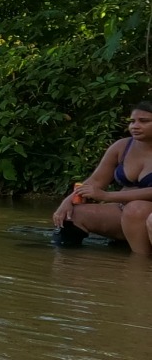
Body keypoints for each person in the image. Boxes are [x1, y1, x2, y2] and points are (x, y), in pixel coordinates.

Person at [52, 100, 152, 253]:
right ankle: (65, 265)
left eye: (143, 121)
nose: (135, 126)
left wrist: (107, 196)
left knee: (135, 209)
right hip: (122, 210)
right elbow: (96, 181)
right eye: (132, 121)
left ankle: (139, 266)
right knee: (72, 215)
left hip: (143, 213)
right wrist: (68, 200)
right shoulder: (122, 146)